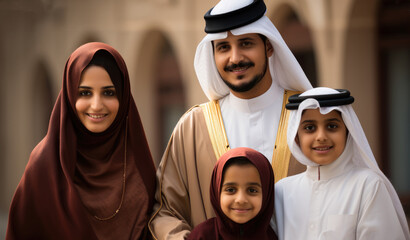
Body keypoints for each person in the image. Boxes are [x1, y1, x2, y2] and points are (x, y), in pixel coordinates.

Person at [149, 0, 312, 239]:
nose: (235, 58)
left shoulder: (308, 118)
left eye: (245, 43)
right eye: (223, 47)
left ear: (268, 46)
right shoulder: (193, 127)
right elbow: (164, 211)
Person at [6, 42, 156, 239]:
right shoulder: (45, 164)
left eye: (108, 93)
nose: (96, 105)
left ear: (123, 96)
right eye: (85, 93)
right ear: (69, 95)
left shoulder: (137, 159)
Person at [274, 87, 410, 239]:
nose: (321, 137)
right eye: (310, 128)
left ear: (348, 131)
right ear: (296, 137)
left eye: (332, 126)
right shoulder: (281, 191)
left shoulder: (368, 185)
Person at [187, 147, 277, 240]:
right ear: (216, 192)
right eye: (230, 190)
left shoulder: (274, 236)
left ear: (267, 194)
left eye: (252, 190)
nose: (241, 200)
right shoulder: (202, 236)